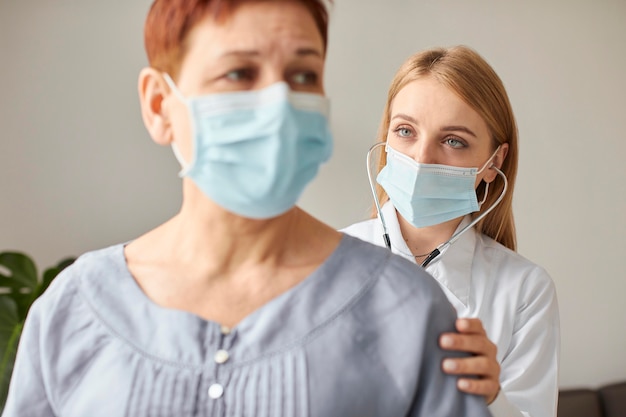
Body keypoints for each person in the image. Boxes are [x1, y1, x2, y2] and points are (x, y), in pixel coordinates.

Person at [2, 2, 491, 416]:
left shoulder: (409, 311)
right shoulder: (72, 310)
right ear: (158, 105)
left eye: (303, 75)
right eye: (239, 72)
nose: (278, 103)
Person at [342, 46, 560, 417]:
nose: (421, 157)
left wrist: (492, 398)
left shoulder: (525, 290)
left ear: (494, 163)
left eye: (453, 140)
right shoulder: (330, 262)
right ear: (386, 136)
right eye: (406, 131)